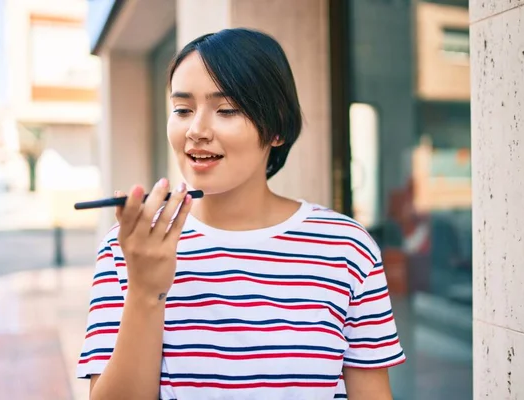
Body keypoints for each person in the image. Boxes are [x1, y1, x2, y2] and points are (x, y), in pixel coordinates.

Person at [77, 28, 406, 400]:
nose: (196, 130)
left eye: (227, 109)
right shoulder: (127, 248)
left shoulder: (347, 247)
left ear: (278, 126)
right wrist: (145, 291)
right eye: (182, 109)